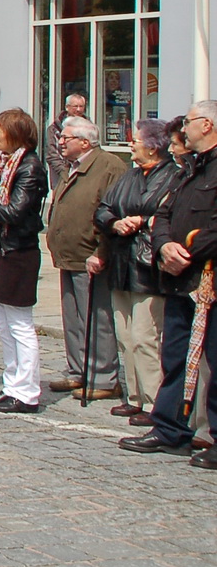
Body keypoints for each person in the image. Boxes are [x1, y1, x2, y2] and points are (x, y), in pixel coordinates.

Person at [121, 100, 217, 467]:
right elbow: (163, 213)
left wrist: (188, 250)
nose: (182, 129)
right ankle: (169, 428)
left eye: (189, 122)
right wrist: (164, 246)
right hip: (179, 281)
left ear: (206, 125)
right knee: (174, 356)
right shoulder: (189, 169)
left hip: (206, 277)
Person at [94, 119, 177, 423]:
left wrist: (139, 220)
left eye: (136, 140)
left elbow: (161, 210)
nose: (131, 145)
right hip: (121, 262)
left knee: (145, 337)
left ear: (153, 146)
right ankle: (135, 396)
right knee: (125, 335)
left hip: (148, 266)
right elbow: (104, 207)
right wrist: (115, 222)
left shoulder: (171, 175)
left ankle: (156, 402)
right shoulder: (129, 175)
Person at [0, 108, 49, 414]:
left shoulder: (29, 167)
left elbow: (15, 211)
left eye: (0, 130)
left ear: (15, 133)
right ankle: (11, 383)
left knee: (20, 324)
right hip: (2, 249)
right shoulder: (6, 166)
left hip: (19, 251)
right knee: (2, 323)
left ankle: (27, 391)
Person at [45, 115, 126, 401]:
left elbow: (112, 212)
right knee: (74, 317)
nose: (60, 141)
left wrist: (101, 251)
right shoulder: (73, 166)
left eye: (66, 138)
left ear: (84, 141)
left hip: (91, 256)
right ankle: (79, 369)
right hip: (69, 255)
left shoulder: (108, 167)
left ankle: (104, 376)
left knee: (97, 317)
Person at [44, 93, 90, 192]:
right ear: (67, 107)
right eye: (75, 106)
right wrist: (65, 172)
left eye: (81, 106)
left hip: (84, 173)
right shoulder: (54, 129)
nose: (78, 109)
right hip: (60, 175)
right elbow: (51, 155)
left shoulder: (89, 128)